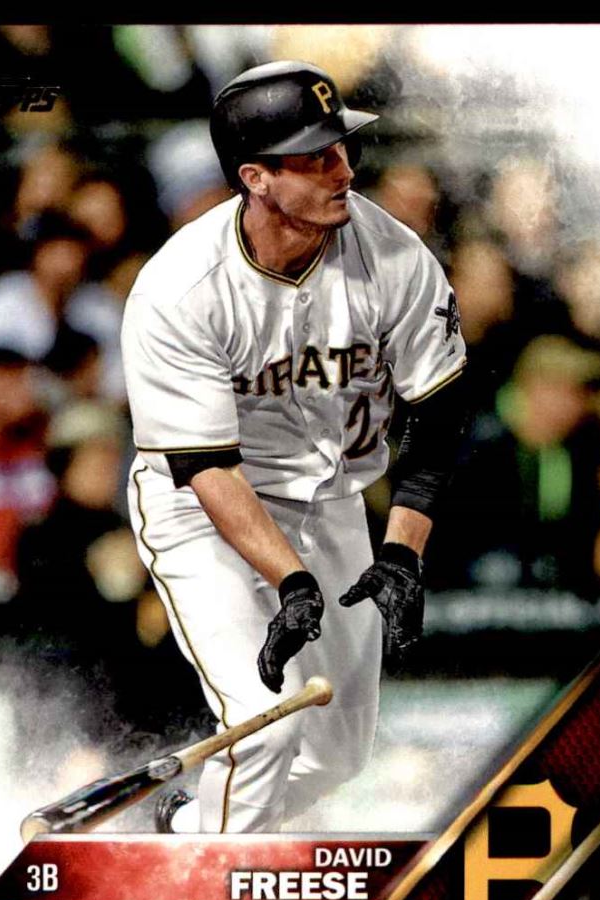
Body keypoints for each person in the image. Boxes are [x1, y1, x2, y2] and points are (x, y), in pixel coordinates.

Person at [121, 61, 469, 833]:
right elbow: (206, 465)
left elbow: (438, 411)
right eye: (314, 157)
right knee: (265, 723)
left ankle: (188, 833)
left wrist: (401, 550)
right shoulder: (180, 287)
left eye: (341, 148)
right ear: (256, 178)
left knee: (337, 755)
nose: (343, 169)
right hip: (201, 509)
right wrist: (291, 581)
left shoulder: (395, 257)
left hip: (330, 499)